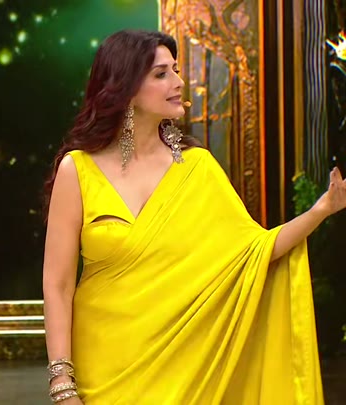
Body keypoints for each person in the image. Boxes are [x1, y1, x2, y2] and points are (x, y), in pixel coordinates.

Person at [42, 30, 345, 404]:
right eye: (161, 74)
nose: (178, 82)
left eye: (176, 70)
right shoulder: (78, 170)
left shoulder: (198, 168)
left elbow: (254, 253)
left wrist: (321, 210)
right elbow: (57, 285)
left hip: (184, 373)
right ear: (126, 88)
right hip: (101, 369)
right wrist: (62, 382)